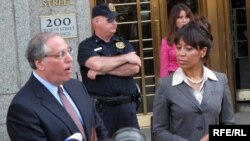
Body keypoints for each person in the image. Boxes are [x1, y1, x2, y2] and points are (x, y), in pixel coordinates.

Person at [6, 32, 108, 141]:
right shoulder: (23, 108)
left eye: (68, 51)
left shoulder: (77, 87)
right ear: (40, 64)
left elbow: (99, 131)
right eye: (60, 54)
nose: (70, 59)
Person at [152, 19, 235, 141]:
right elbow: (158, 131)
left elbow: (231, 127)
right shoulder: (165, 85)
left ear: (203, 51)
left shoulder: (220, 81)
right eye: (179, 48)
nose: (181, 53)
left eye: (188, 48)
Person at [77, 3, 141, 137]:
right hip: (101, 110)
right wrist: (125, 58)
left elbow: (134, 67)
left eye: (115, 19)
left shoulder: (123, 42)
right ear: (96, 21)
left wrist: (104, 69)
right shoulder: (86, 46)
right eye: (110, 20)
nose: (115, 23)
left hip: (127, 109)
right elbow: (97, 64)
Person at [160, 3, 194, 78]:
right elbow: (164, 67)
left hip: (193, 76)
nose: (184, 20)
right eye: (180, 17)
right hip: (174, 77)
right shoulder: (166, 41)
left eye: (187, 17)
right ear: (174, 20)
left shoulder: (195, 38)